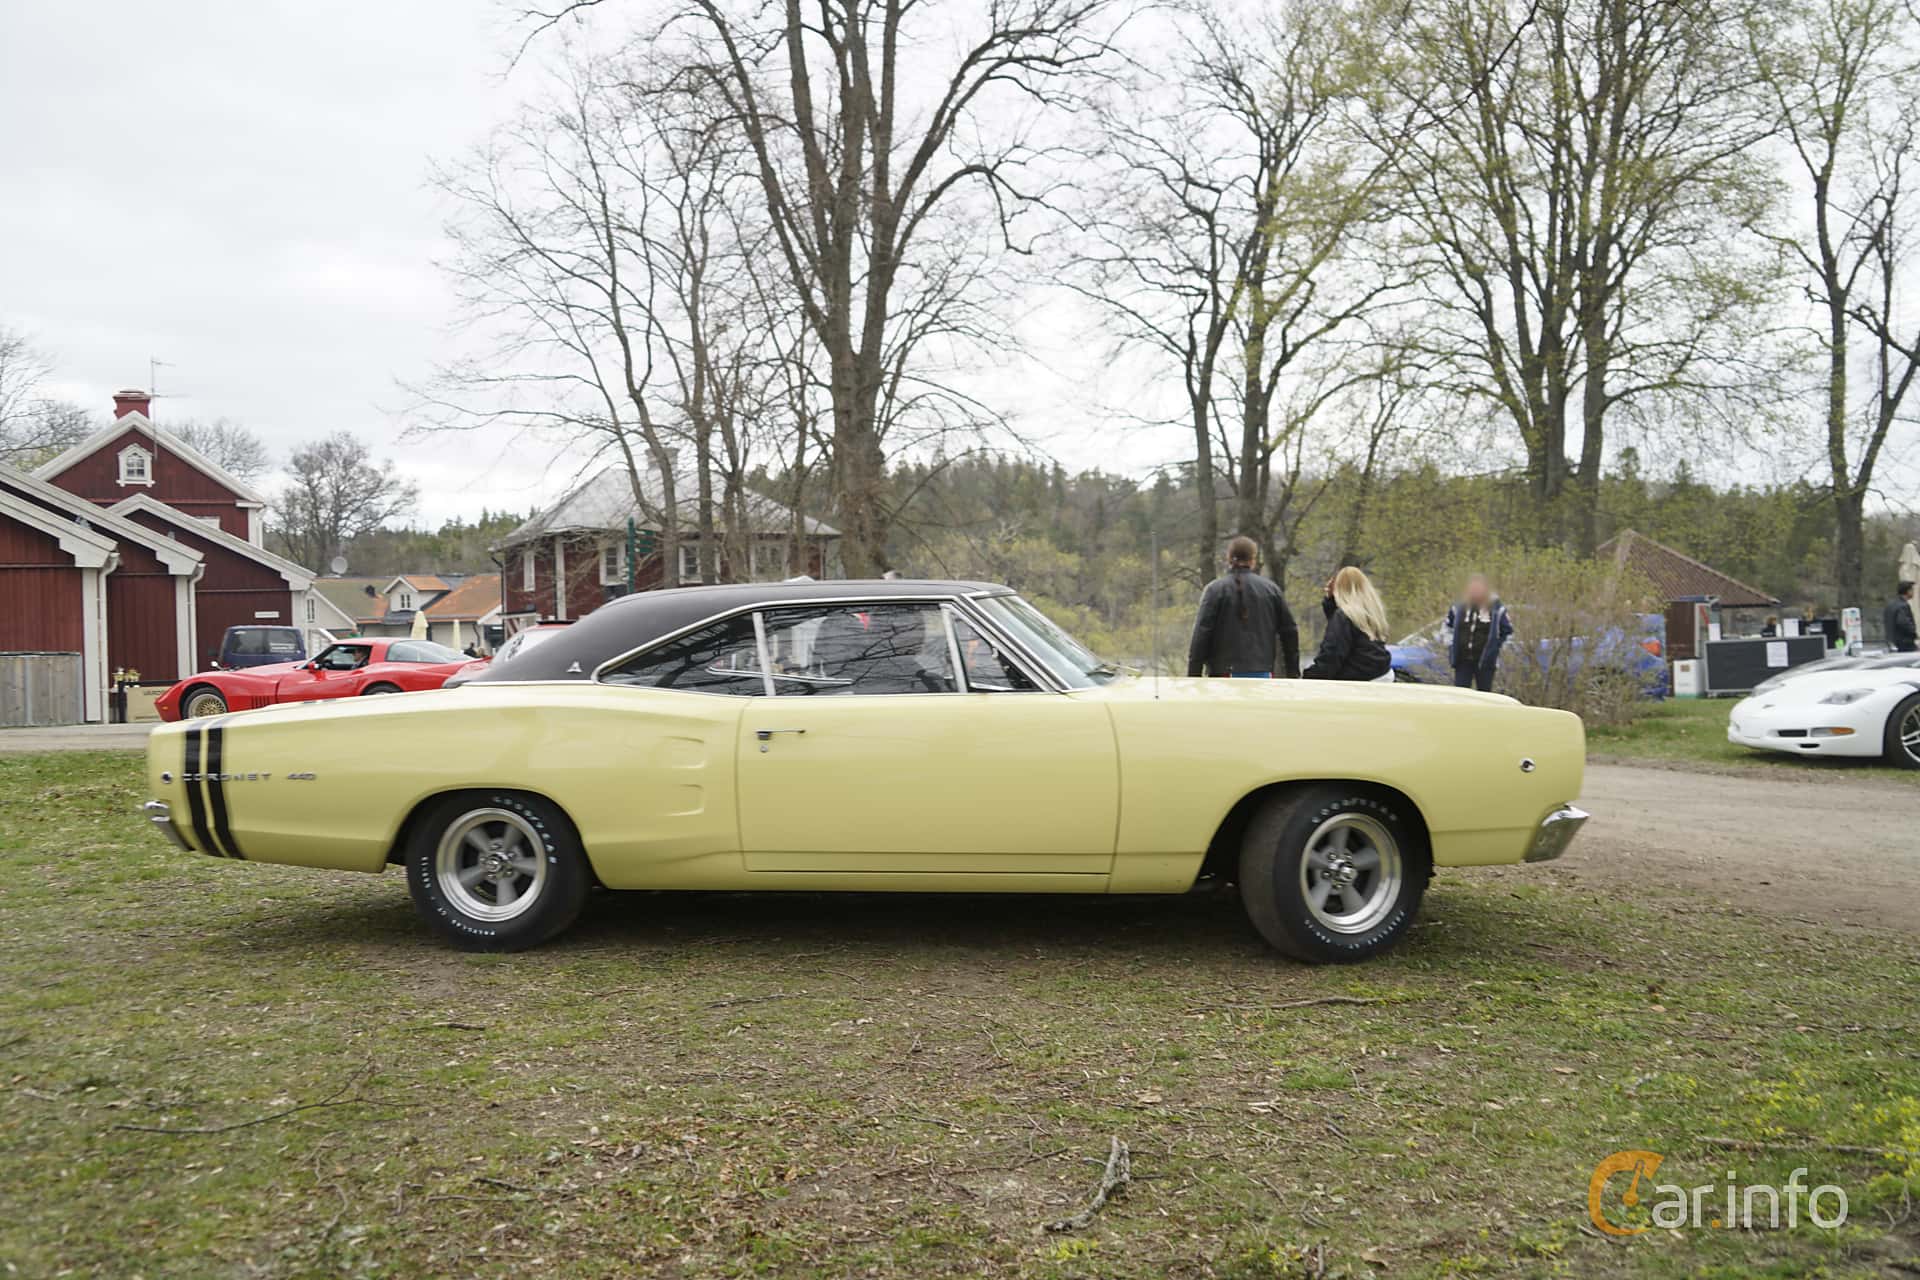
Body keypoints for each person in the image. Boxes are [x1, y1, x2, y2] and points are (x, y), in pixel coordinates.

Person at [1187, 535, 1300, 678]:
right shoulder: (1271, 590)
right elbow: (1289, 631)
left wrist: (1193, 676)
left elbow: (1201, 635)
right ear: (1253, 559)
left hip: (1223, 675)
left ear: (1229, 558)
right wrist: (1293, 672)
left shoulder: (1215, 590)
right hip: (1262, 673)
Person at [1304, 566, 1393, 681]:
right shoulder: (1370, 614)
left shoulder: (1344, 616)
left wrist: (1310, 677)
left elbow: (1332, 655)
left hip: (1360, 681)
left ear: (1338, 590)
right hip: (1382, 675)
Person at [1445, 573, 1514, 692]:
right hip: (1462, 661)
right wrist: (1451, 646)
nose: (1475, 591)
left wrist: (1496, 649)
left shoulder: (1497, 609)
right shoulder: (1459, 607)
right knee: (1460, 693)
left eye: (1478, 588)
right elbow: (1447, 628)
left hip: (1486, 662)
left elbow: (1508, 632)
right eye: (1473, 588)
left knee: (1484, 694)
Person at [1887, 581, 1918, 653]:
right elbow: (1903, 622)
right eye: (1912, 590)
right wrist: (1914, 634)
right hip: (1905, 644)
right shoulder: (1903, 606)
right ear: (1908, 591)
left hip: (1892, 643)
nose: (1913, 592)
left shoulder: (1890, 605)